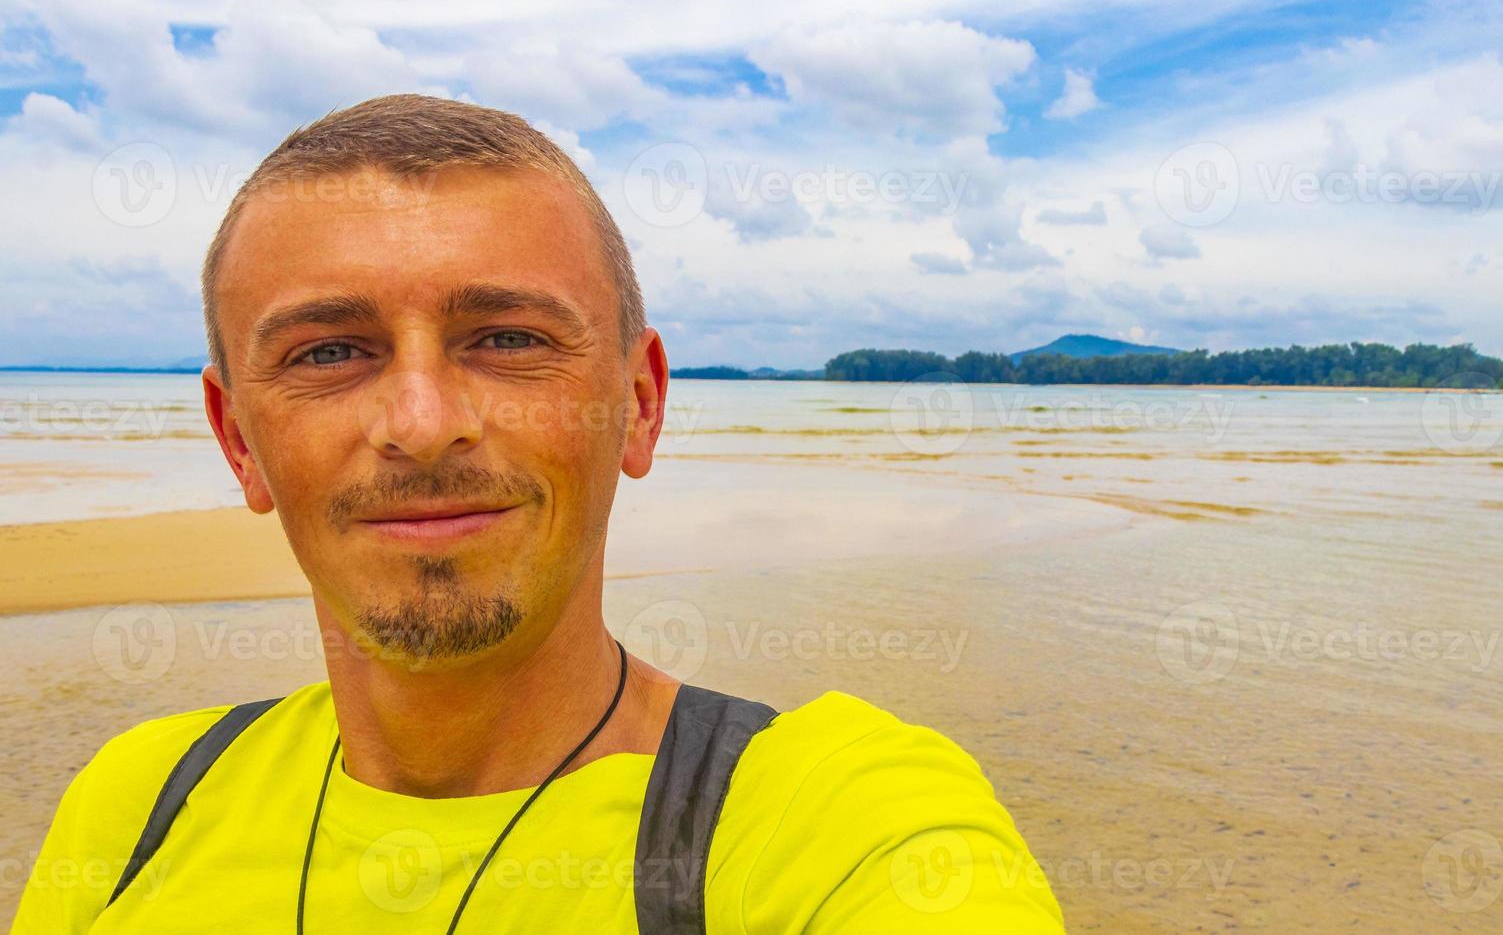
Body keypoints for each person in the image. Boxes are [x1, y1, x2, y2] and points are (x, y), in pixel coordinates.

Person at [11, 95, 1063, 933]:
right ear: (238, 437)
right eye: (330, 351)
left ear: (638, 405)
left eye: (506, 338)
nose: (422, 424)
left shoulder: (831, 817)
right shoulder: (141, 800)